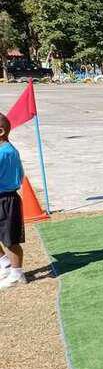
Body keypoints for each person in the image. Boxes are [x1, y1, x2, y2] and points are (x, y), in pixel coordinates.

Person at [0, 113, 25, 291]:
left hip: (7, 200)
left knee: (10, 240)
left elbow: (19, 176)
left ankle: (17, 274)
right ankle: (5, 264)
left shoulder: (6, 153)